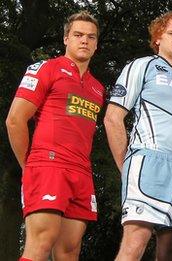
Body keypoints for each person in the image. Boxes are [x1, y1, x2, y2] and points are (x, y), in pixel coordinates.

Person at [5, 11, 104, 261]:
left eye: (91, 37)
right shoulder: (47, 68)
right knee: (41, 243)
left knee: (70, 251)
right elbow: (15, 120)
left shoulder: (98, 87)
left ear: (96, 43)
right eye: (78, 35)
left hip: (81, 170)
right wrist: (28, 166)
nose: (85, 41)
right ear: (65, 39)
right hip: (48, 163)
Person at [104, 10, 172, 260]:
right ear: (158, 38)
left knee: (171, 250)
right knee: (135, 242)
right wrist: (126, 169)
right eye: (171, 33)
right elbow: (112, 118)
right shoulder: (142, 65)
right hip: (147, 160)